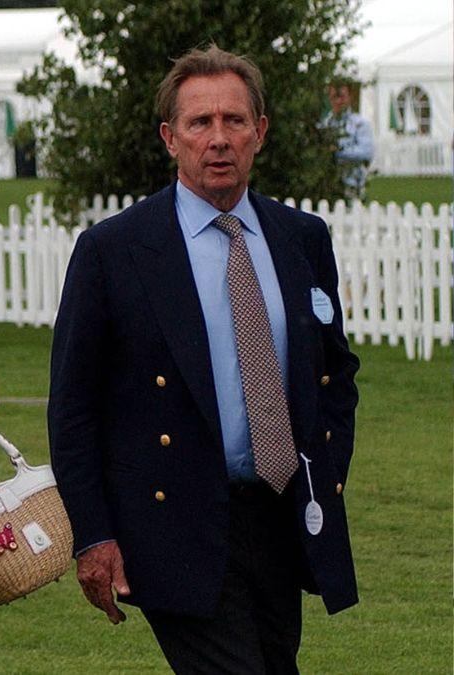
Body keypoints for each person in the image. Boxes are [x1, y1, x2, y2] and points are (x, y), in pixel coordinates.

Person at [47, 45, 360, 673]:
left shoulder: (301, 238)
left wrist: (326, 470)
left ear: (259, 132)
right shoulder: (115, 250)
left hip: (281, 515)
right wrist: (94, 534)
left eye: (234, 120)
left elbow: (334, 372)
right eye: (199, 123)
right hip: (173, 523)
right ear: (171, 138)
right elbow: (74, 407)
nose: (218, 139)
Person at [324, 79, 374, 199]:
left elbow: (366, 153)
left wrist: (337, 152)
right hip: (326, 187)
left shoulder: (360, 124)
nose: (338, 101)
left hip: (353, 186)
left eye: (341, 96)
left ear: (350, 97)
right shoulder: (324, 124)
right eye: (334, 97)